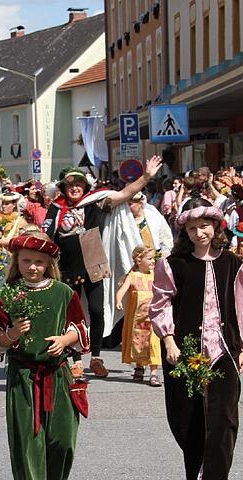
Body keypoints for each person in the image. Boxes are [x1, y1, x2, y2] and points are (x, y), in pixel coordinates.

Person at [150, 199, 243, 480]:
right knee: (188, 418)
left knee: (224, 421)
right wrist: (168, 339)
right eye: (192, 228)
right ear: (185, 231)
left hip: (224, 351)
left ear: (217, 226)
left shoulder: (233, 264)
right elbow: (160, 304)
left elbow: (240, 307)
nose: (199, 233)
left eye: (205, 226)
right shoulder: (173, 264)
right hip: (184, 351)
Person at [0, 230, 89, 480]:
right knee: (30, 440)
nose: (32, 267)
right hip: (23, 377)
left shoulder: (63, 292)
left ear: (49, 264)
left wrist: (65, 338)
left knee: (62, 439)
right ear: (16, 261)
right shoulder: (4, 295)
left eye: (39, 262)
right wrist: (14, 333)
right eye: (26, 261)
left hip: (57, 374)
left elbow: (81, 329)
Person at [42, 156, 162, 378]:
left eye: (78, 184)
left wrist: (146, 176)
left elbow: (124, 194)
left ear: (85, 186)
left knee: (97, 311)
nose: (75, 188)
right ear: (63, 188)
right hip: (65, 269)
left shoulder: (96, 202)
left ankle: (96, 357)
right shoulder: (56, 209)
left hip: (93, 264)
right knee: (70, 315)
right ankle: (75, 358)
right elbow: (45, 236)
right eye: (70, 185)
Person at [116, 245, 162, 386]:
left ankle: (153, 373)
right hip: (137, 320)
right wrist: (118, 300)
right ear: (138, 260)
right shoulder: (133, 276)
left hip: (153, 318)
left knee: (154, 343)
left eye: (154, 258)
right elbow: (121, 290)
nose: (153, 261)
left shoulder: (155, 275)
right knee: (139, 343)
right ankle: (139, 367)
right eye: (149, 259)